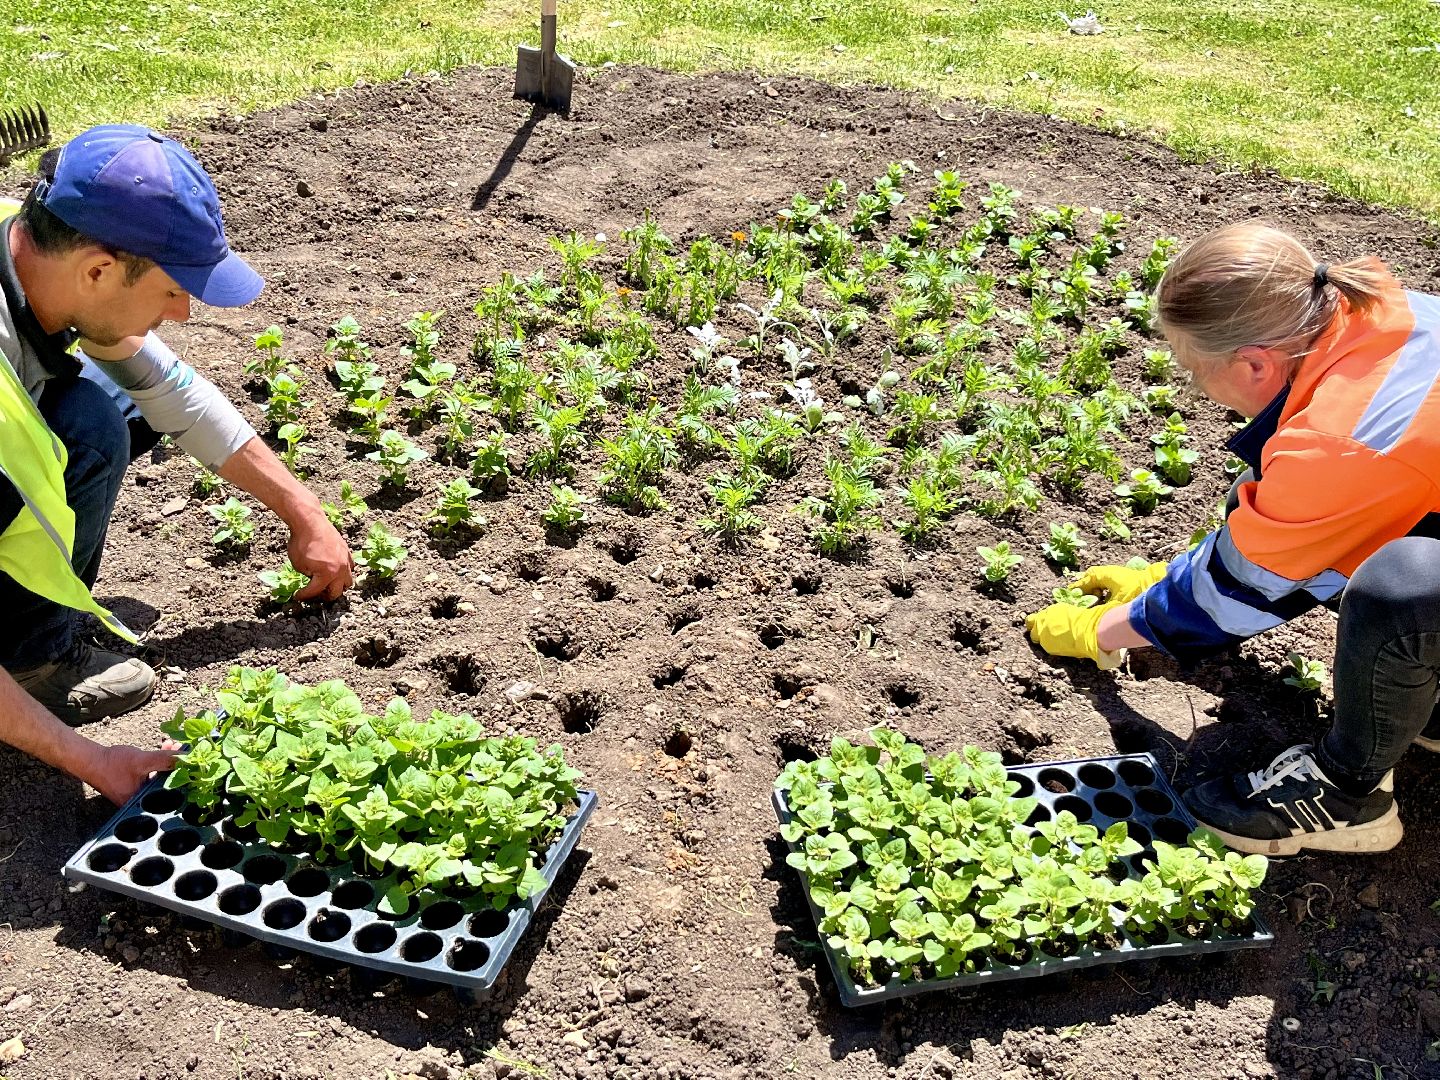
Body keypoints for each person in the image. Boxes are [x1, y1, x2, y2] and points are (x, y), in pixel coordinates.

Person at [1024, 220, 1440, 857]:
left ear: (1252, 362)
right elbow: (1285, 532)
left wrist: (1109, 630)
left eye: (1195, 370)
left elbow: (1248, 587)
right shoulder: (1382, 315)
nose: (1197, 389)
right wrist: (1167, 584)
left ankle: (1348, 796)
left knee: (1404, 586)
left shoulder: (1338, 443)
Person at [0, 124, 354, 805]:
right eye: (170, 291)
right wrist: (90, 759)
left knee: (118, 397)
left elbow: (173, 393)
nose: (184, 312)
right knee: (92, 421)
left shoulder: (30, 244)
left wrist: (303, 511)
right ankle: (30, 662)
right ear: (99, 269)